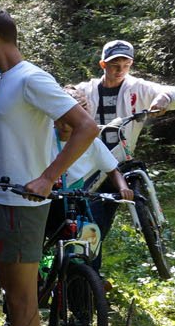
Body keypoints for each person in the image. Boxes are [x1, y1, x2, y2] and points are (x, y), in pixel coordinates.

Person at [0, 6, 96, 326]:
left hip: (21, 206)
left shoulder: (31, 78)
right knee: (12, 296)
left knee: (23, 300)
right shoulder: (1, 81)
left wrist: (48, 177)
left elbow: (86, 127)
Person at [69, 39, 175, 243]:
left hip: (119, 162)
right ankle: (86, 269)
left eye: (126, 65)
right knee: (90, 217)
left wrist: (165, 97)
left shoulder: (137, 88)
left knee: (103, 216)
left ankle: (153, 227)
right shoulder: (87, 90)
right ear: (103, 65)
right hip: (90, 164)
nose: (120, 70)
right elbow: (65, 97)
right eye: (115, 65)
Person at [45, 87, 132, 258]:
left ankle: (91, 277)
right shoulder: (44, 138)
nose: (64, 125)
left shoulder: (91, 143)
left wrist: (123, 188)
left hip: (75, 200)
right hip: (47, 199)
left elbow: (113, 170)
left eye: (69, 120)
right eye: (60, 119)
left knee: (90, 236)